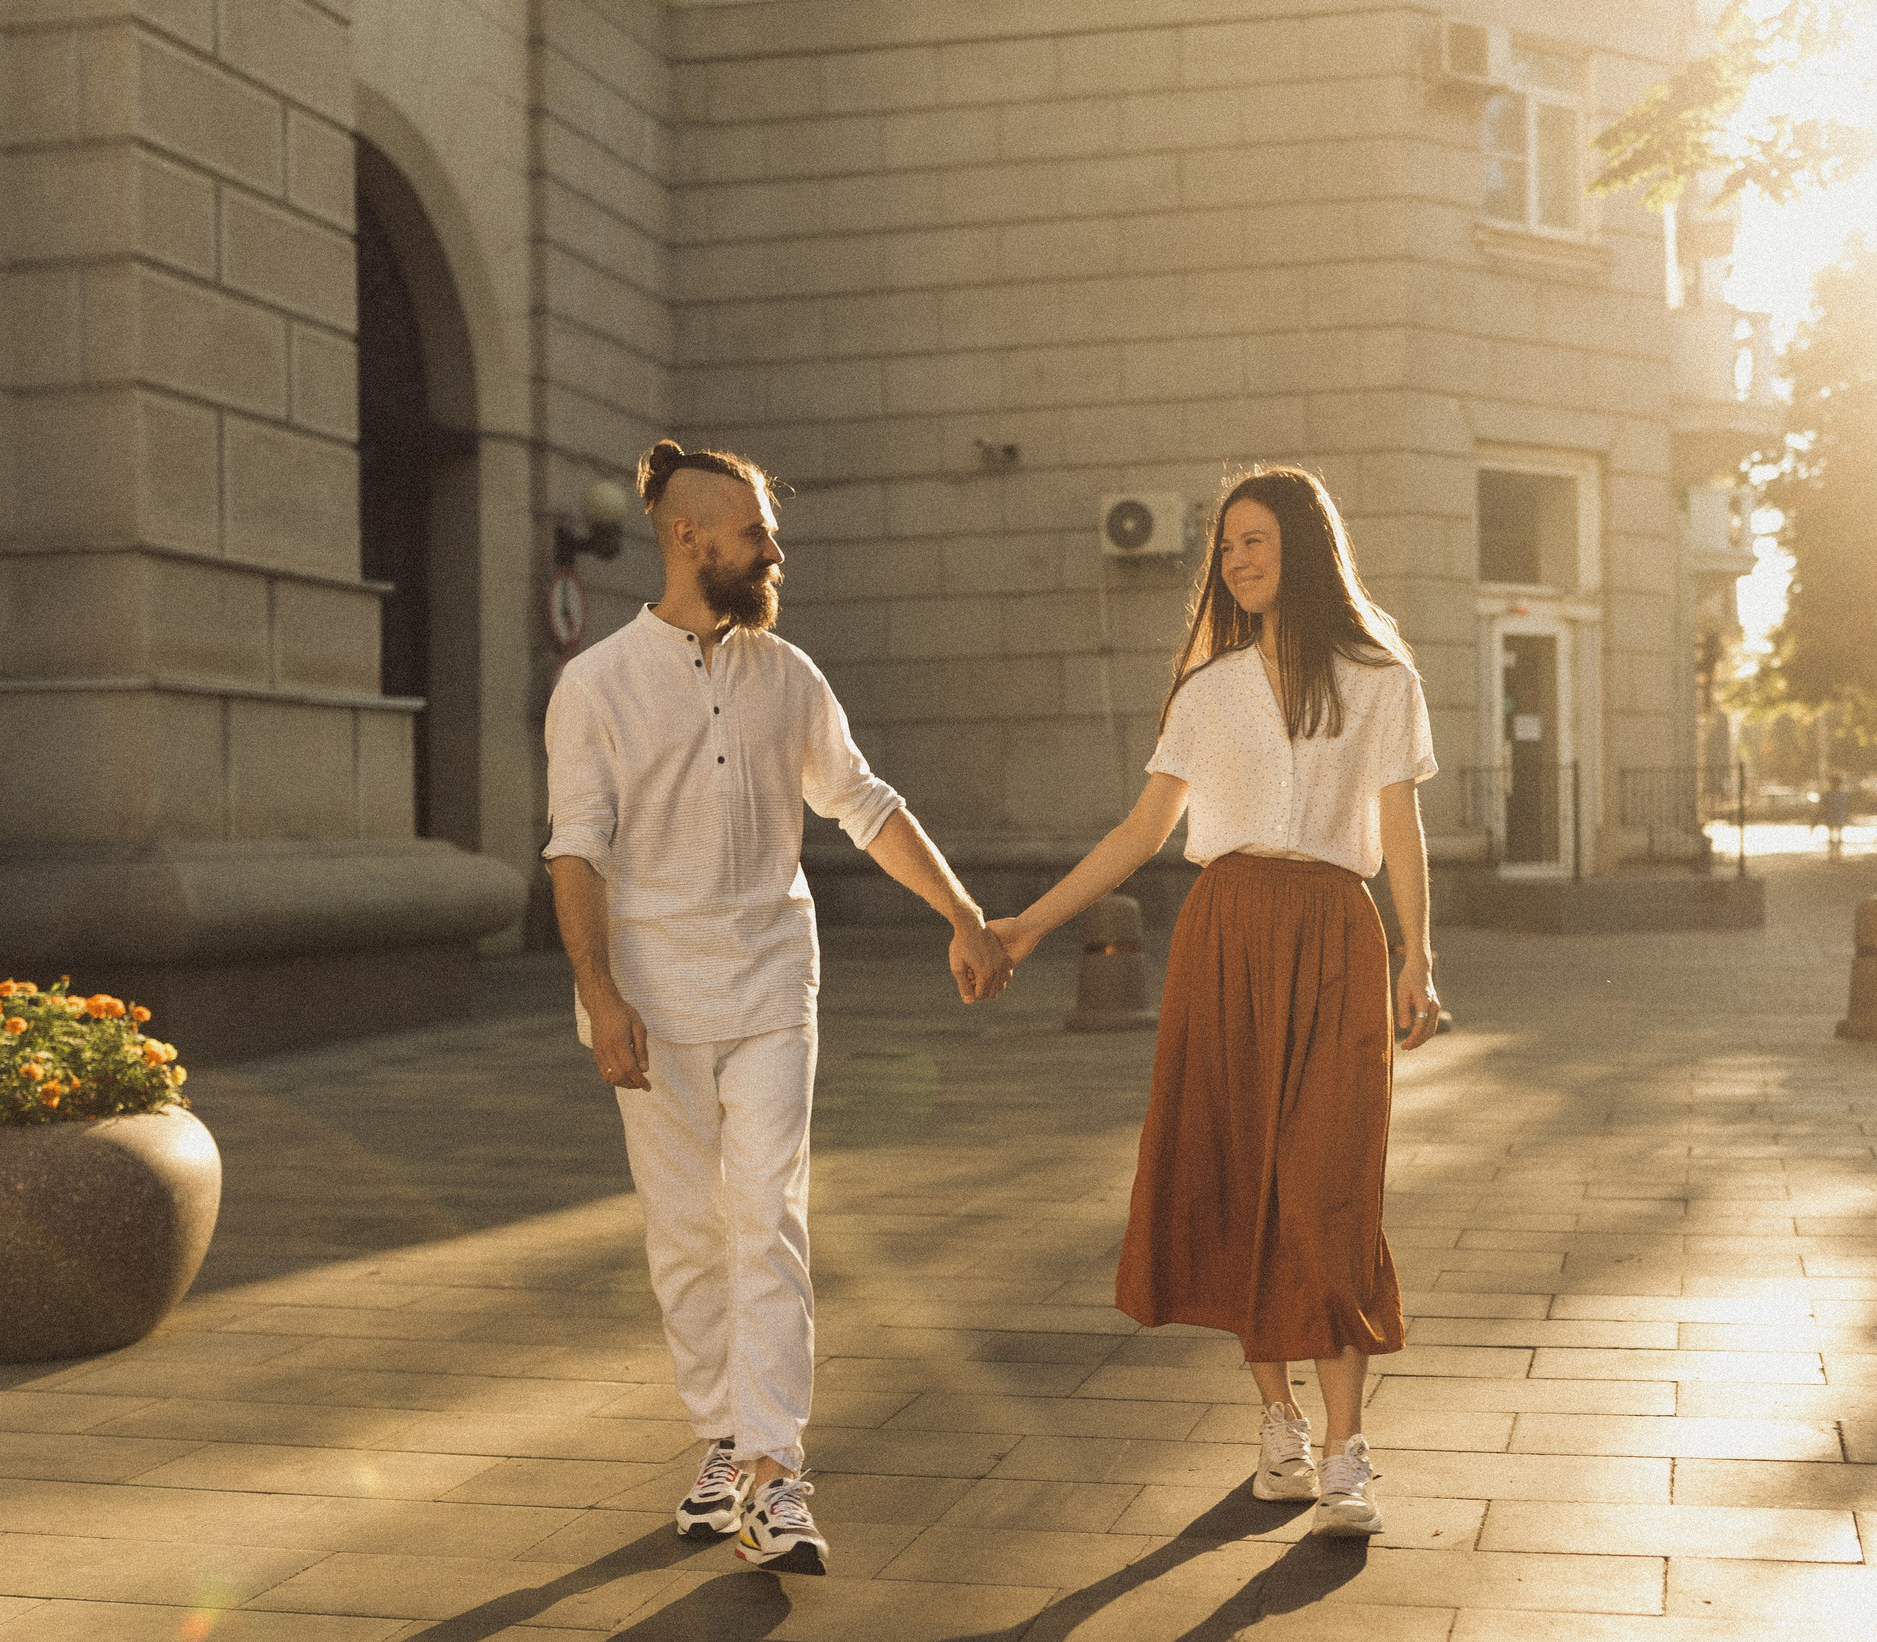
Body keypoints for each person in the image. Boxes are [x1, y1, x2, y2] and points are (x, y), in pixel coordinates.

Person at [543, 440, 1012, 1574]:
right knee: (688, 1236)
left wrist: (962, 913)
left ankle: (772, 1470)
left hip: (769, 988)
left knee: (768, 1215)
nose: (774, 550)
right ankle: (721, 1439)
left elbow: (862, 802)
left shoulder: (789, 675)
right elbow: (576, 849)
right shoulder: (597, 683)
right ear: (688, 537)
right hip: (651, 1001)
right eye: (755, 531)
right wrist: (599, 996)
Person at [988, 465, 1443, 1539]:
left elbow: (1401, 827)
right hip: (1225, 935)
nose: (1235, 561)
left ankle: (1345, 1456)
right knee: (1240, 1178)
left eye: (1253, 541)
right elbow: (1141, 835)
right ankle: (1279, 1426)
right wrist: (1027, 924)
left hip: (1336, 933)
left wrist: (1418, 953)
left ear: (1303, 546)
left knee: (1331, 1185)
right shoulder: (1205, 691)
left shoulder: (1380, 677)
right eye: (1224, 547)